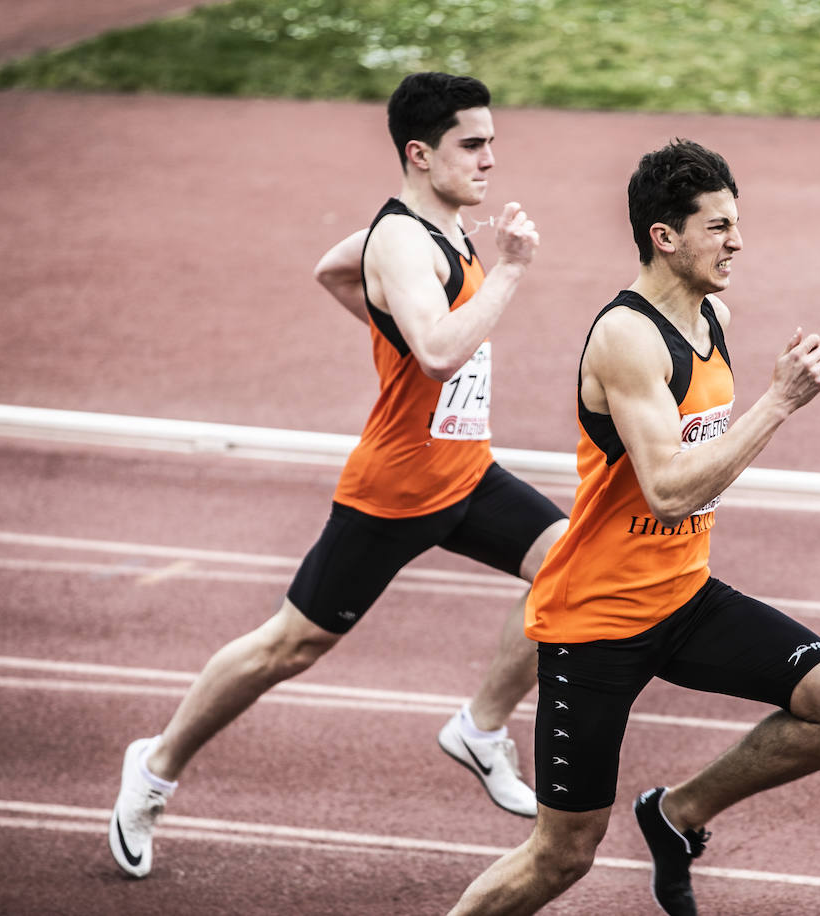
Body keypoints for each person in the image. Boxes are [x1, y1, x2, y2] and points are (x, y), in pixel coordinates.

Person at [108, 71, 568, 879]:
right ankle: (153, 765)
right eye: (474, 143)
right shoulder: (401, 239)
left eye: (493, 141)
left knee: (570, 563)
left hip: (465, 473)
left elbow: (331, 269)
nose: (492, 158)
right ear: (420, 154)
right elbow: (436, 351)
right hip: (394, 491)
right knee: (288, 646)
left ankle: (482, 727)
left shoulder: (439, 225)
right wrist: (511, 271)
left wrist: (384, 320)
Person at [447, 139, 820, 915]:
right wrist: (778, 401)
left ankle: (676, 813)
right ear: (664, 235)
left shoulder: (713, 316)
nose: (737, 242)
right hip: (596, 626)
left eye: (736, 223)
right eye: (717, 227)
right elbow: (671, 494)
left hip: (683, 599)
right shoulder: (627, 337)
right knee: (562, 857)